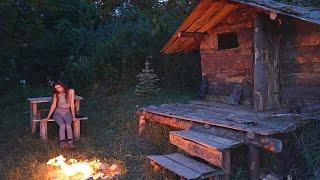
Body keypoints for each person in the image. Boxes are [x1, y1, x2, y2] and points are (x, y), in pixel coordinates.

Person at [46, 80, 76, 148]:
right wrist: (48, 117)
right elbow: (53, 106)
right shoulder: (56, 95)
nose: (58, 89)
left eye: (59, 87)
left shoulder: (71, 91)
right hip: (58, 113)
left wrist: (73, 116)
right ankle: (62, 143)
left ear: (62, 86)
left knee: (68, 125)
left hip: (67, 112)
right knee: (62, 125)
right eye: (56, 88)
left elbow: (72, 104)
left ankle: (70, 142)